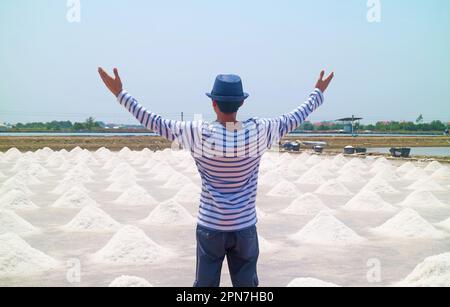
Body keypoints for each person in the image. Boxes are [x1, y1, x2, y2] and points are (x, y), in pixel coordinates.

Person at [98, 67, 334, 287]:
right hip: (244, 228)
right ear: (241, 102)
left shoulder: (198, 133)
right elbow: (296, 116)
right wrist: (317, 93)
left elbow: (155, 122)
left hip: (210, 226)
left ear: (213, 103)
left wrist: (120, 94)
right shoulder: (260, 130)